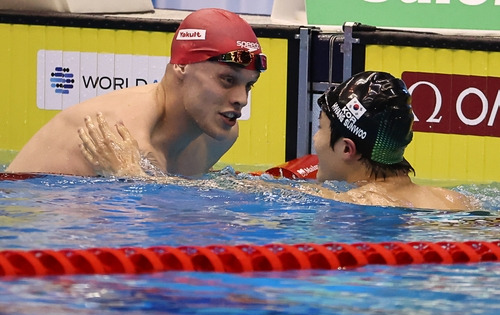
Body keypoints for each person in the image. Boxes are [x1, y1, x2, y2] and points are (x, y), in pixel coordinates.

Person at [77, 71, 477, 210]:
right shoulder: (454, 200)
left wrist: (130, 176)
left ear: (347, 148)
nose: (316, 142)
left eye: (322, 129)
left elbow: (196, 202)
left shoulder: (362, 201)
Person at [6, 8, 266, 177]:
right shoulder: (121, 133)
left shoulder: (220, 136)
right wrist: (131, 176)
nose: (241, 99)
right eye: (227, 80)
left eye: (248, 85)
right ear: (181, 66)